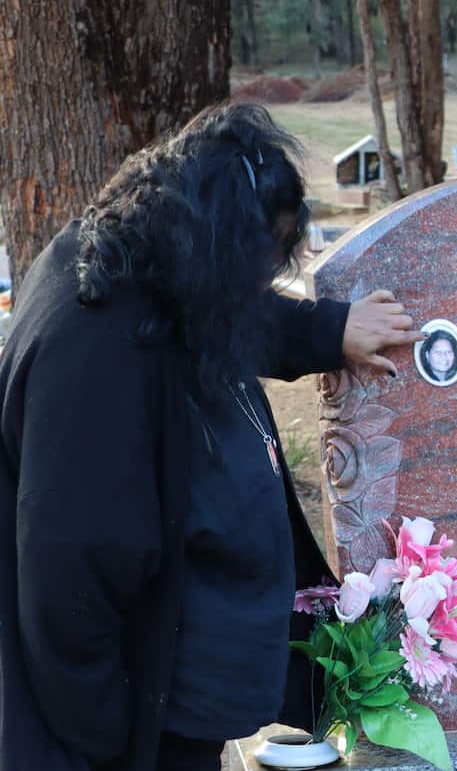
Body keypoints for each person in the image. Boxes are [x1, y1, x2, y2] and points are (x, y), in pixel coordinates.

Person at [0, 103, 424, 771]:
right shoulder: (91, 355)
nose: (258, 286)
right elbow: (69, 586)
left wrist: (330, 329)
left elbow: (227, 308)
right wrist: (116, 740)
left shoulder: (143, 259)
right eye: (253, 265)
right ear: (211, 248)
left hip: (175, 700)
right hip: (127, 729)